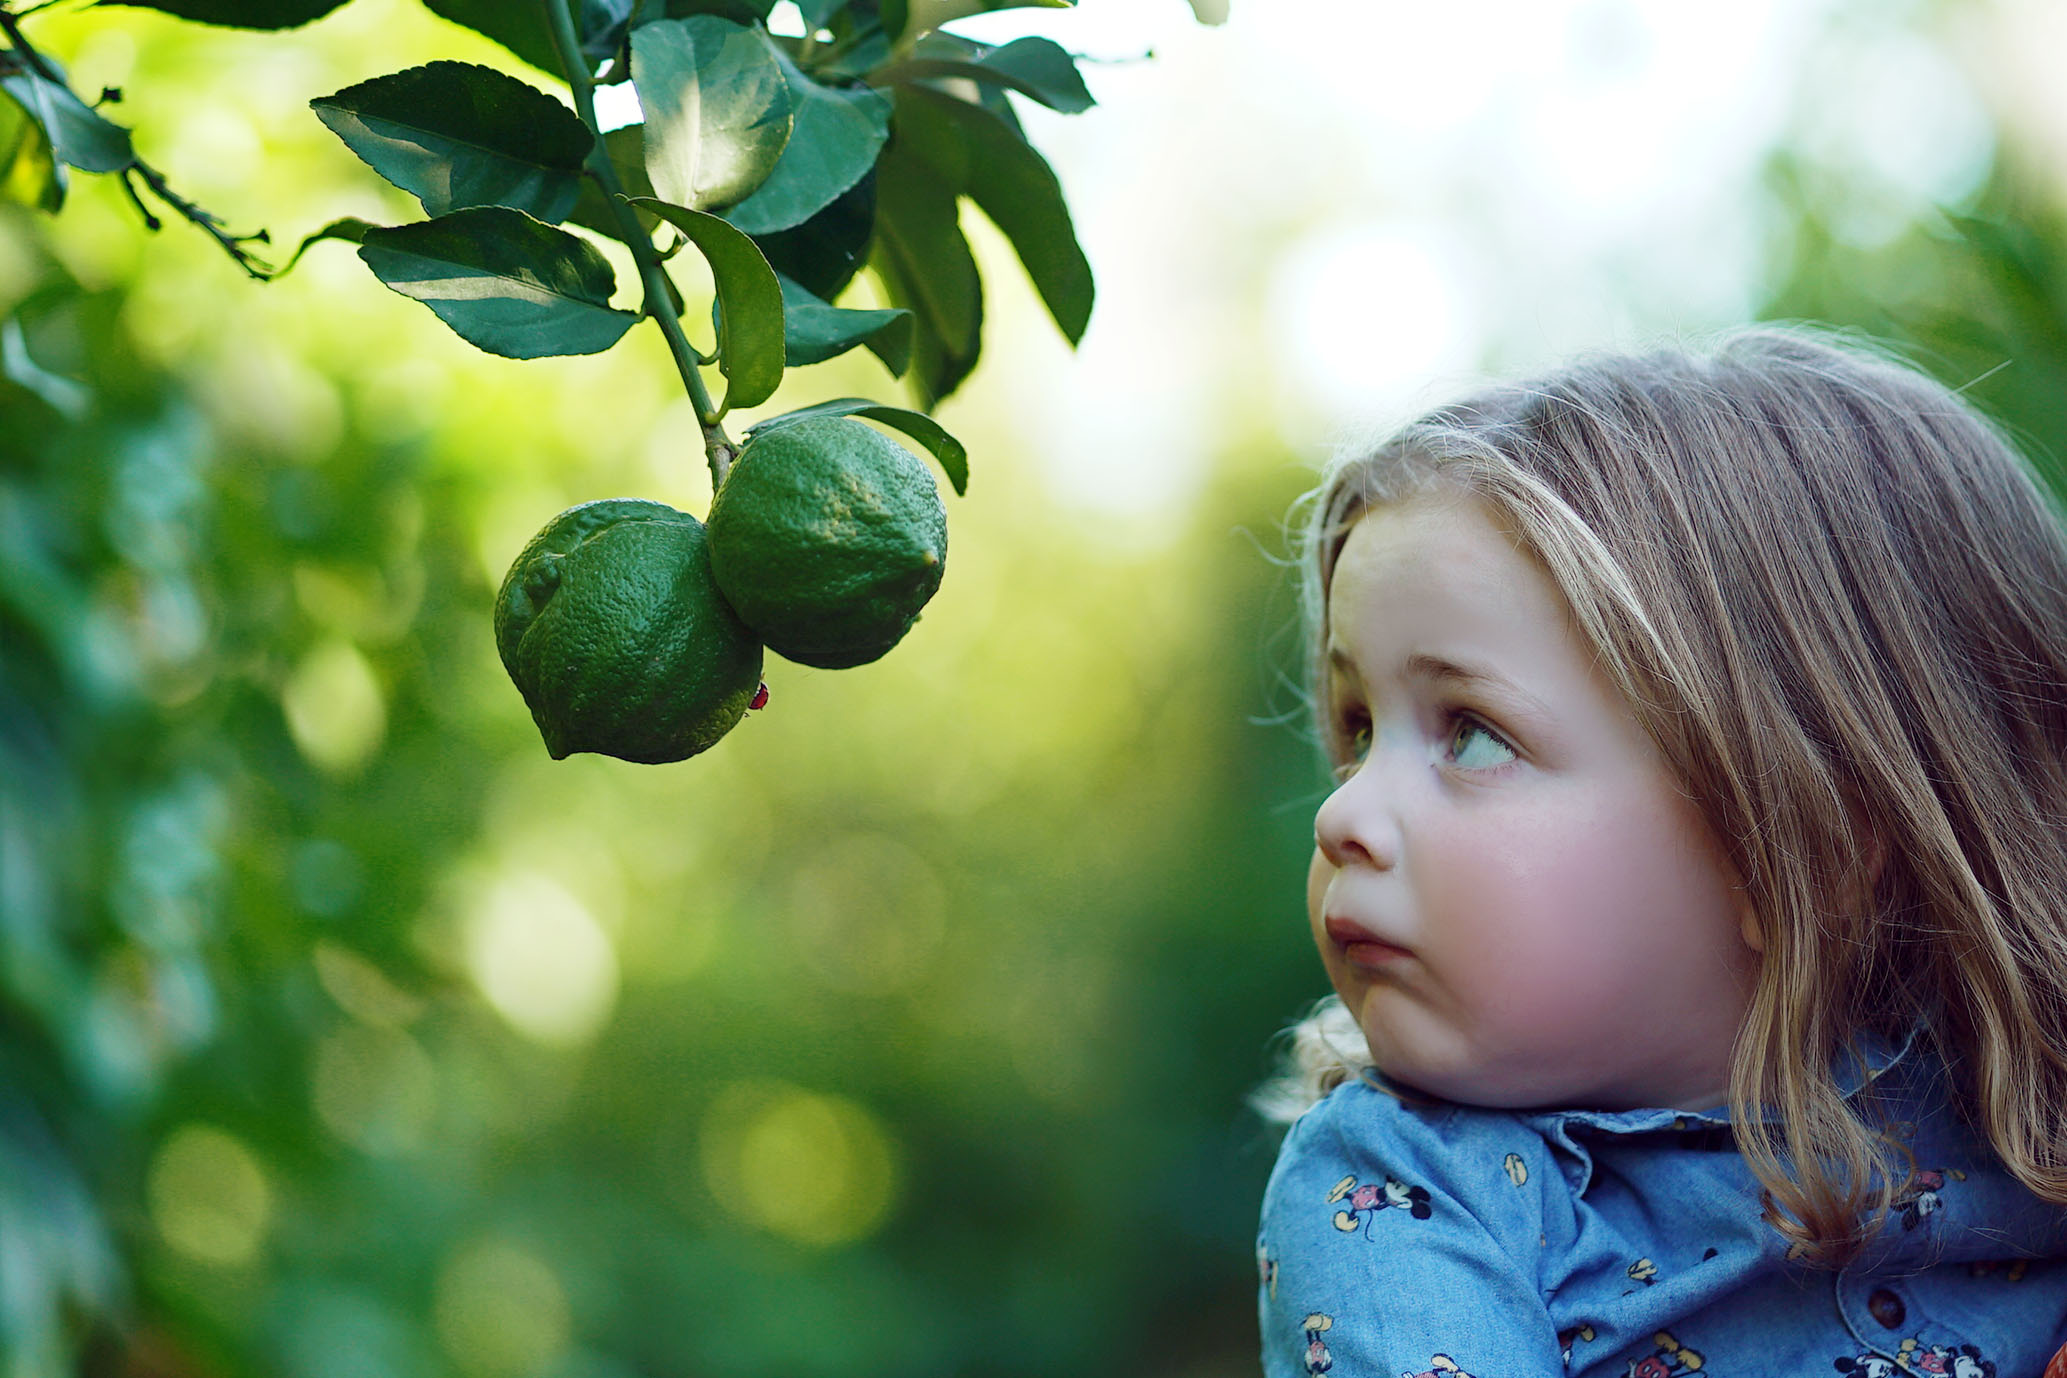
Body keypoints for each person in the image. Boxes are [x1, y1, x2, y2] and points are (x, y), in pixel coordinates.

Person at [1253, 325, 2067, 1376]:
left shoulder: (2018, 1109)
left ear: (1800, 859)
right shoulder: (1405, 1187)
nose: (1345, 813)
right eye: (1359, 730)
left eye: (1471, 732)